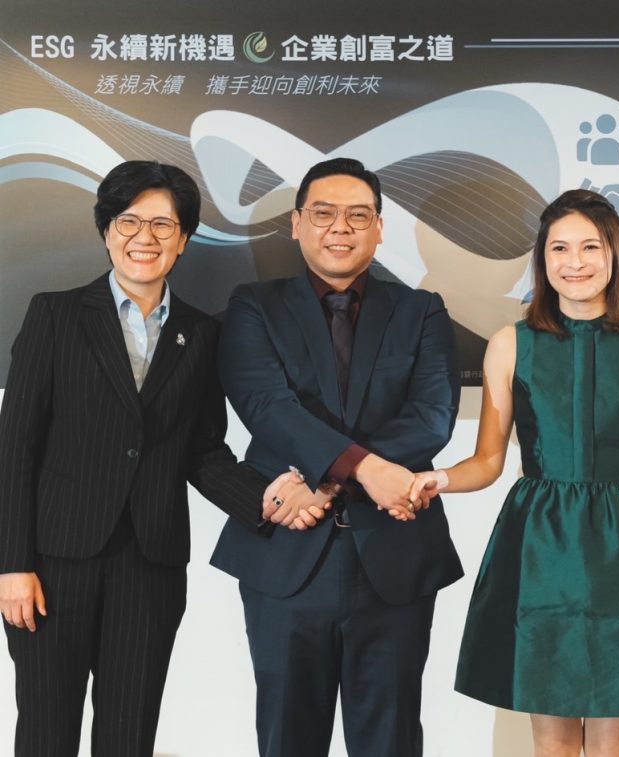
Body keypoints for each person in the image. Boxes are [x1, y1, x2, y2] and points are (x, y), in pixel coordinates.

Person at [0, 160, 275, 757]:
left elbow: (201, 450)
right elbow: (15, 448)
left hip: (150, 567)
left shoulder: (202, 334)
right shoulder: (54, 314)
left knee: (129, 736)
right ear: (106, 231)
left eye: (162, 225)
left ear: (183, 239)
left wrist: (266, 500)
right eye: (128, 222)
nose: (143, 238)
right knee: (45, 732)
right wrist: (12, 564)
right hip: (52, 564)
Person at [409, 188, 619, 757]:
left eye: (590, 246)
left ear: (615, 254)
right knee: (552, 736)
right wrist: (440, 478)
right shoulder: (510, 344)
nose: (574, 262)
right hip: (542, 545)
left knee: (615, 735)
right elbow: (488, 461)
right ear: (543, 260)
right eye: (559, 248)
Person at [211, 157, 463, 757]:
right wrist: (368, 469)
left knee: (390, 740)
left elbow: (431, 417)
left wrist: (328, 482)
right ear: (297, 224)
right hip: (287, 556)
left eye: (358, 215)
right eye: (323, 214)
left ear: (380, 227)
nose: (340, 228)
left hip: (394, 557)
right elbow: (267, 406)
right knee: (287, 739)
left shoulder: (422, 311)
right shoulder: (253, 306)